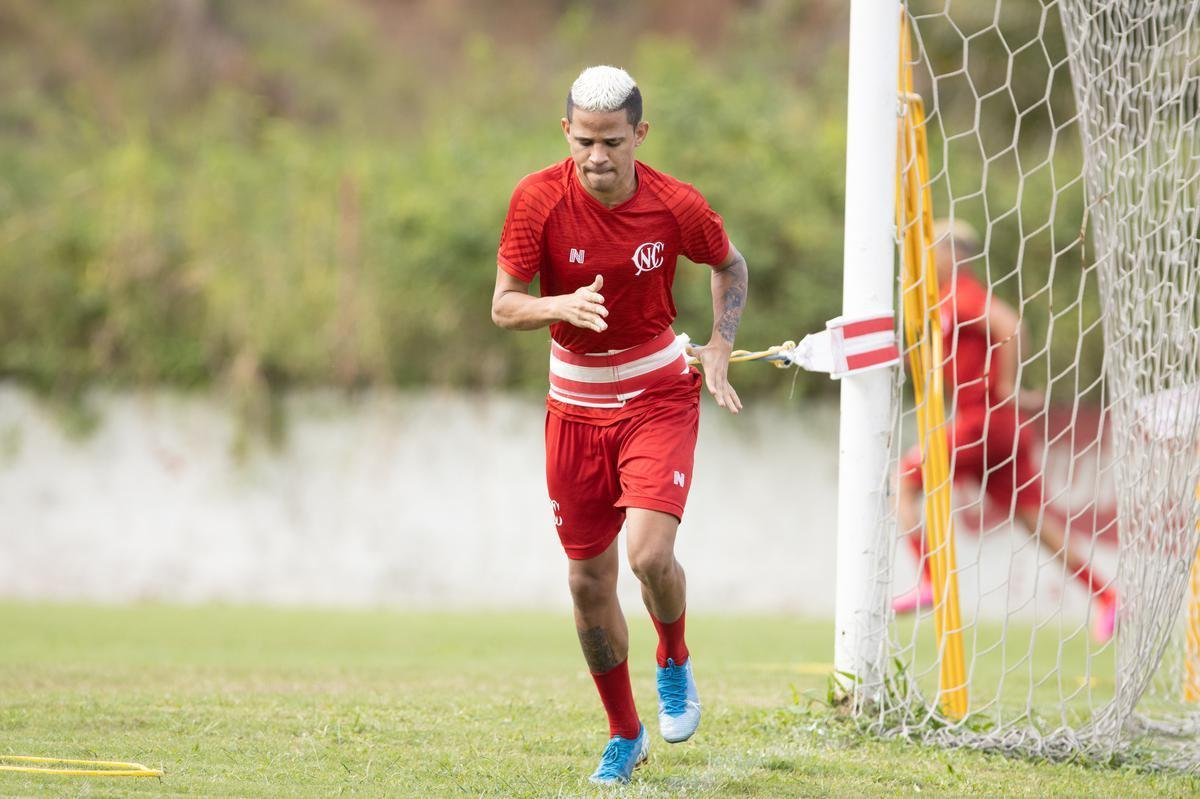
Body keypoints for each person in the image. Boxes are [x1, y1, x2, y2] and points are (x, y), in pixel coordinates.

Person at [490, 65, 748, 785]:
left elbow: (730, 265)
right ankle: (624, 732)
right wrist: (558, 306)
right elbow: (504, 304)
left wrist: (720, 346)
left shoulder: (675, 205)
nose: (596, 156)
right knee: (584, 581)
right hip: (572, 407)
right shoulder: (536, 199)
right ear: (565, 134)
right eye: (583, 141)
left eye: (610, 141)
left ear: (640, 133)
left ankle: (673, 657)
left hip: (656, 397)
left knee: (648, 556)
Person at [893, 218, 1117, 643]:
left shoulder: (963, 293)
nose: (924, 258)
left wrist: (1006, 387)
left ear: (951, 254)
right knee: (1035, 521)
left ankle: (928, 582)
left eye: (931, 250)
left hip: (984, 422)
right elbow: (958, 355)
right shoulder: (945, 302)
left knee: (904, 480)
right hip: (1001, 429)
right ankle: (1107, 596)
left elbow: (1010, 326)